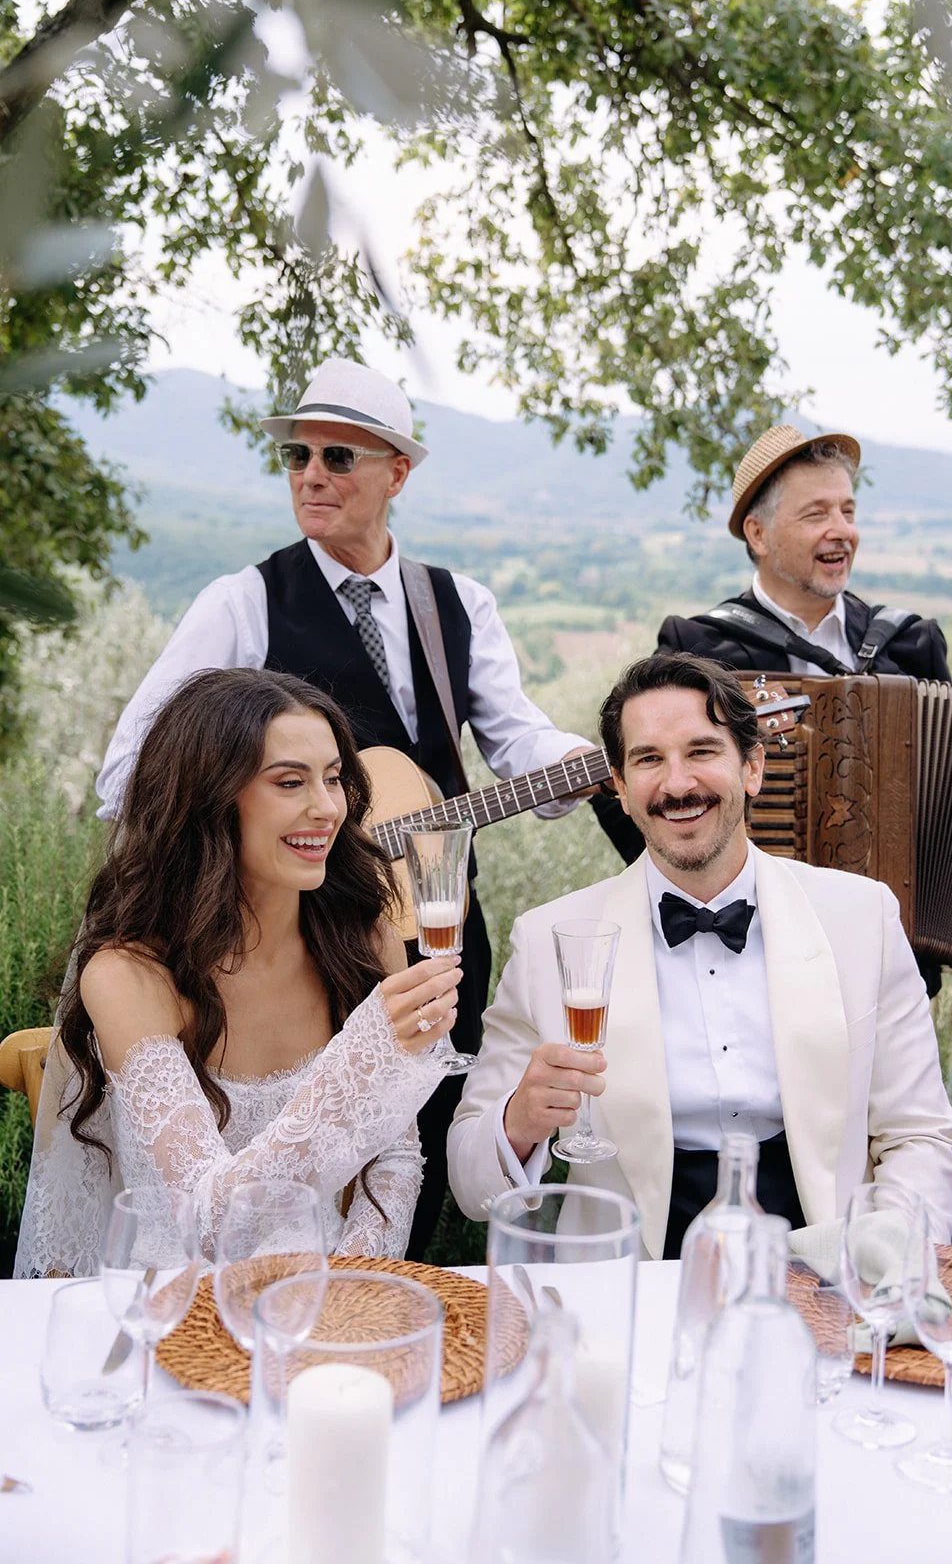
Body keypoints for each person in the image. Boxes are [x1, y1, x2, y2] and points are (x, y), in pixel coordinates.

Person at [95, 358, 592, 1256]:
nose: (311, 475)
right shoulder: (242, 602)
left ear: (398, 472)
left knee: (424, 1147)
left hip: (433, 927)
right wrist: (268, 836)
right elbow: (132, 768)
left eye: (337, 456)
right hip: (290, 938)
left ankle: (393, 1296)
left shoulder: (457, 605)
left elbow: (516, 738)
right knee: (301, 1150)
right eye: (296, 456)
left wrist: (588, 763)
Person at [448, 653, 952, 1259]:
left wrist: (885, 1259)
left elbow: (918, 1134)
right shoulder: (547, 939)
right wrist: (519, 1123)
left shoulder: (862, 918)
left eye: (701, 751)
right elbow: (470, 1184)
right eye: (648, 760)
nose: (677, 784)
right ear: (620, 786)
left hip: (831, 1267)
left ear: (752, 767)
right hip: (630, 1286)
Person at [15, 668, 461, 1278]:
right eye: (289, 782)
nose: (327, 808)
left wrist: (347, 1288)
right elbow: (212, 1223)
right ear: (209, 796)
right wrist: (368, 1054)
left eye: (333, 778)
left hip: (328, 1296)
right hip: (177, 1308)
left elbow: (397, 1158)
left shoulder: (363, 936)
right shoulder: (129, 974)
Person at [595, 423, 952, 923]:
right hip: (753, 954)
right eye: (816, 513)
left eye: (848, 510)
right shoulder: (699, 651)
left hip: (902, 958)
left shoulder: (909, 643)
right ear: (758, 533)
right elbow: (638, 793)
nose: (841, 529)